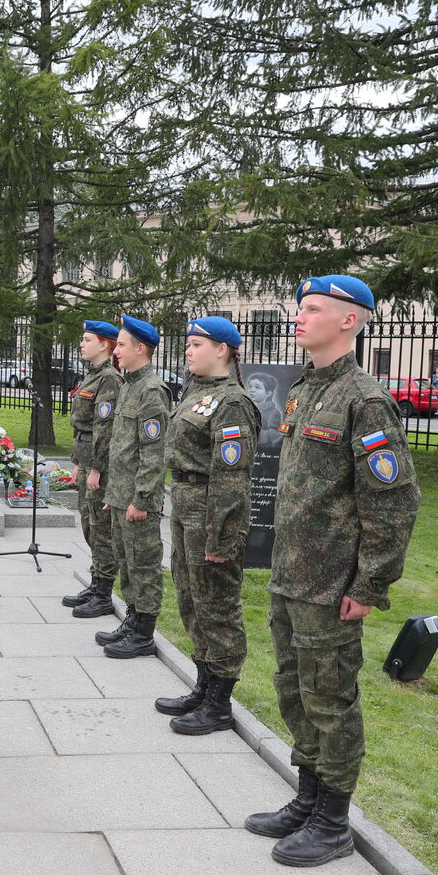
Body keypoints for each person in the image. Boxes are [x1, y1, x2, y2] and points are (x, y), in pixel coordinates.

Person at [244, 275, 419, 867]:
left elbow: (392, 502)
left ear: (349, 320)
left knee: (330, 697)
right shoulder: (304, 391)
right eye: (301, 308)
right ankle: (310, 797)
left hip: (330, 584)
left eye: (312, 309)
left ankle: (335, 821)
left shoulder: (364, 399)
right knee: (294, 691)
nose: (299, 317)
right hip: (291, 574)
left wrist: (370, 583)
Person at [157, 317, 259, 735]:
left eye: (196, 344)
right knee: (190, 597)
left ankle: (219, 704)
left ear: (222, 349)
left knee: (217, 605)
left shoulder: (232, 402)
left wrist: (221, 536)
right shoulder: (197, 392)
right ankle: (204, 686)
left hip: (209, 510)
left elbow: (232, 479)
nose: (188, 350)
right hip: (185, 506)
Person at [97, 315, 171, 658]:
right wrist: (114, 492)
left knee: (143, 564)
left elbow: (153, 453)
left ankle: (143, 632)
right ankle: (132, 619)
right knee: (126, 562)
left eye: (122, 345)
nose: (116, 350)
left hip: (138, 499)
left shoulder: (152, 391)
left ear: (141, 348)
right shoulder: (128, 385)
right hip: (121, 494)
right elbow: (121, 446)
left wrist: (141, 498)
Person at [63, 320, 122, 618]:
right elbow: (81, 430)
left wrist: (96, 468)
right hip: (86, 458)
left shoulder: (109, 379)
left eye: (87, 340)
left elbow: (104, 428)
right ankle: (97, 581)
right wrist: (77, 461)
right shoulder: (92, 376)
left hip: (98, 464)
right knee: (89, 524)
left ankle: (104, 591)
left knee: (100, 527)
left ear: (104, 344)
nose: (82, 344)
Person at [247, 373, 283, 448]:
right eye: (250, 387)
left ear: (268, 393)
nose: (252, 390)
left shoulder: (273, 412)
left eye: (257, 387)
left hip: (263, 448)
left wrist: (255, 435)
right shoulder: (247, 408)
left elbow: (276, 432)